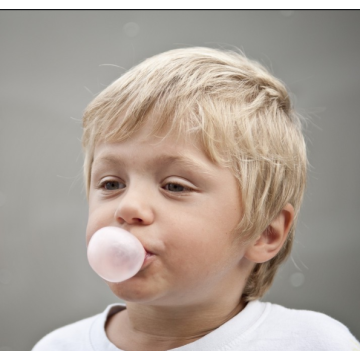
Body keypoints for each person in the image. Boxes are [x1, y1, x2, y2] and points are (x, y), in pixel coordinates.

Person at [33, 47, 360, 351]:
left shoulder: (313, 345)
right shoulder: (58, 349)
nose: (128, 206)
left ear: (264, 233)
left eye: (174, 186)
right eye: (111, 183)